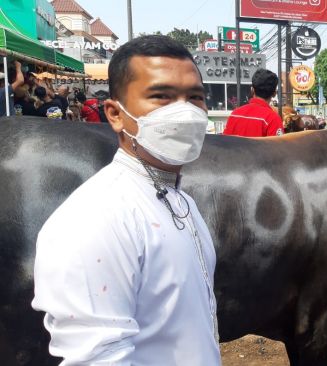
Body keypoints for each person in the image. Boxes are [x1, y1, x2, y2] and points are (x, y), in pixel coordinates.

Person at [32, 35, 222, 365]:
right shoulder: (93, 219)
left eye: (195, 98)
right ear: (115, 114)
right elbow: (98, 358)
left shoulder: (182, 202)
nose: (185, 112)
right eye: (161, 96)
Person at [223, 68, 283, 137]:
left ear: (252, 90)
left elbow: (225, 143)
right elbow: (278, 146)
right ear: (274, 93)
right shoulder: (273, 119)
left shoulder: (235, 114)